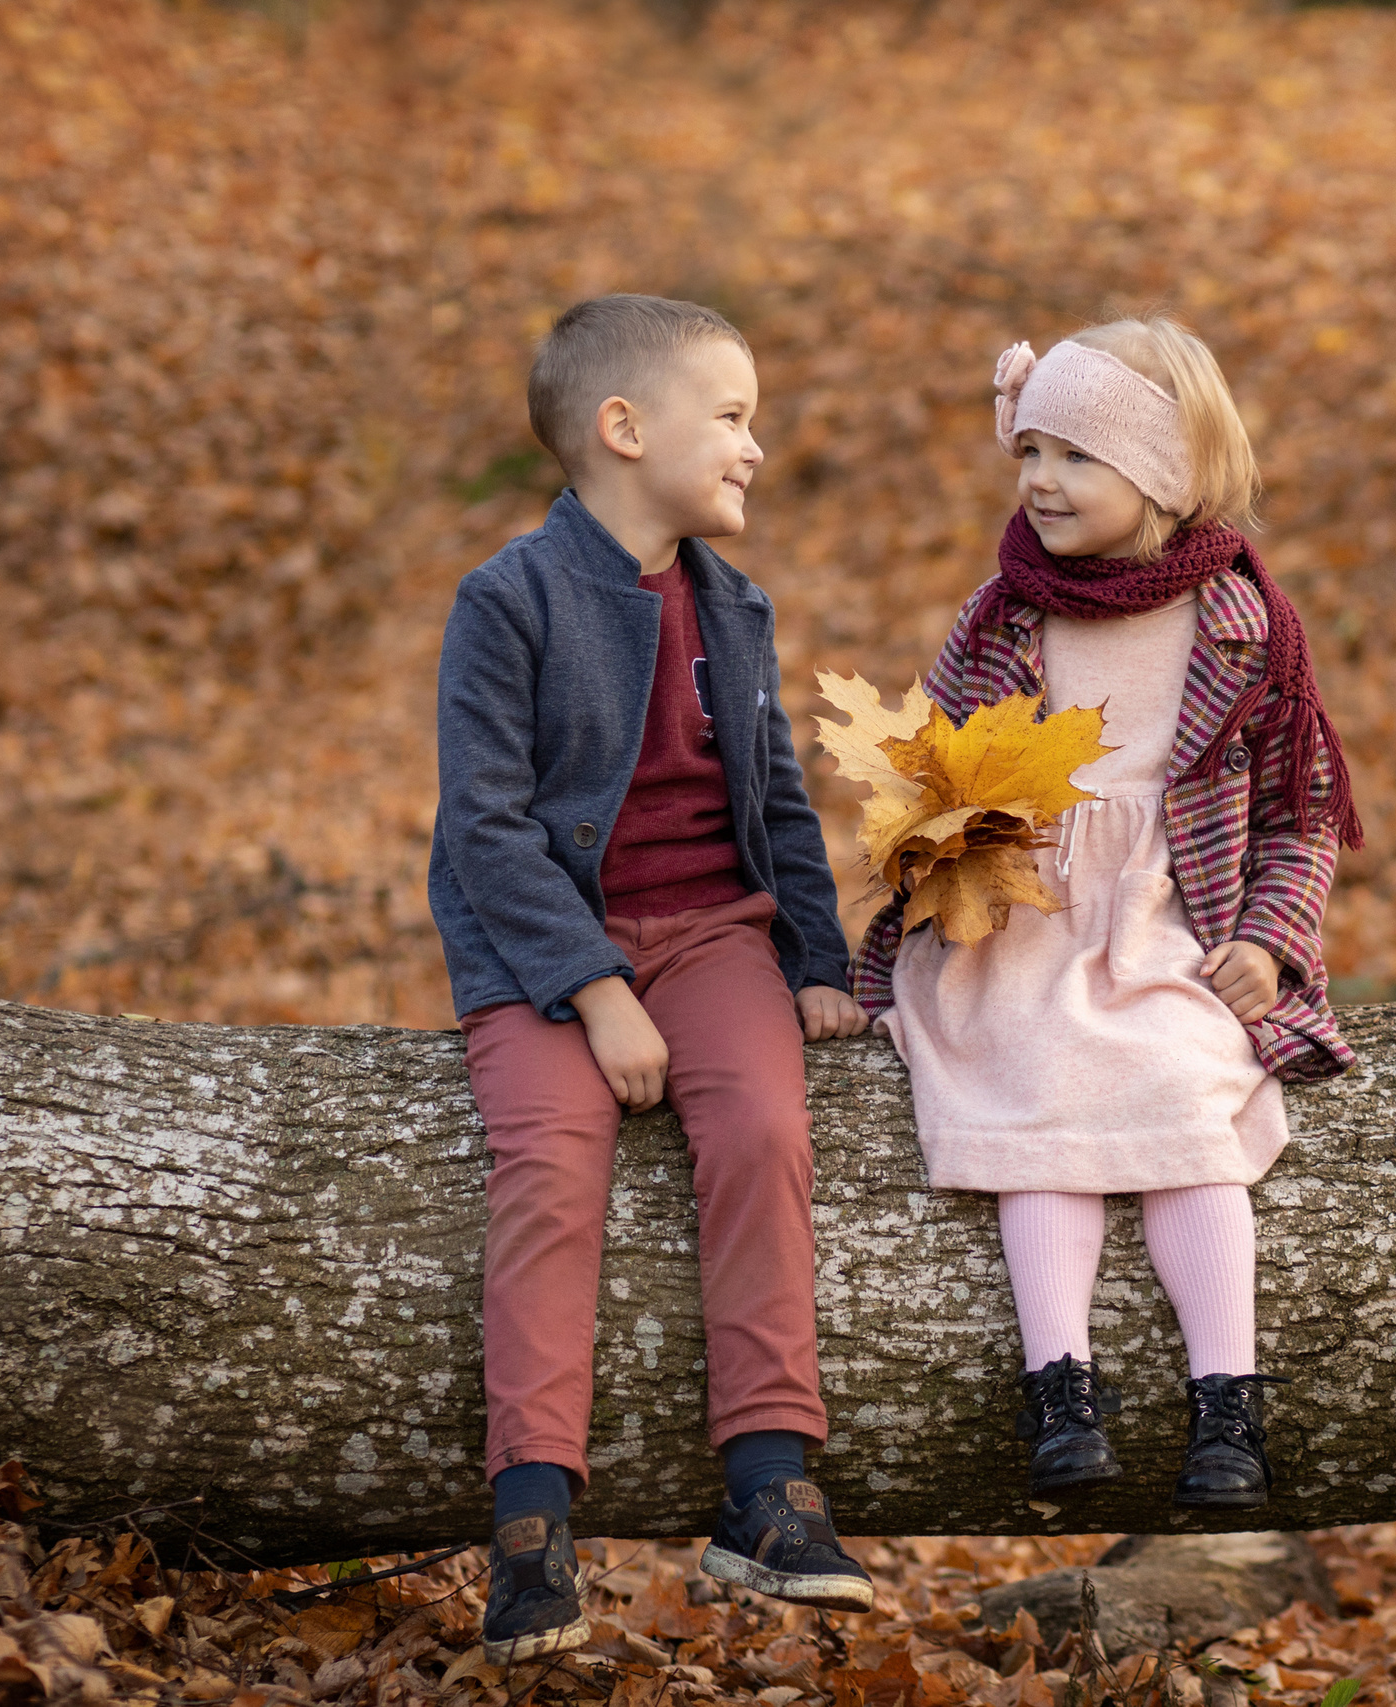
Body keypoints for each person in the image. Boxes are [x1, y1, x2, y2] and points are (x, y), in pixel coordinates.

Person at [853, 315, 1363, 1509]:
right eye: (1029, 452)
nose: (1039, 481)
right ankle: (1058, 1384)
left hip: (1175, 931)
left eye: (1077, 457)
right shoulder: (1000, 620)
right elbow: (919, 780)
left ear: (1165, 475)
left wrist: (1270, 942)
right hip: (1019, 930)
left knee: (1191, 1095)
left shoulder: (1245, 630)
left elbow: (1303, 809)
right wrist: (940, 846)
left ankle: (1226, 1400)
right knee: (1036, 1088)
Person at [431, 294, 875, 1663]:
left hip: (712, 933)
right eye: (732, 416)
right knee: (554, 1164)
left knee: (761, 1127)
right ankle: (531, 1520)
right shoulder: (509, 599)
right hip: (541, 940)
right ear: (625, 429)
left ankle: (769, 1485)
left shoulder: (732, 606)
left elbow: (780, 806)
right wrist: (592, 984)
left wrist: (814, 956)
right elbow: (485, 823)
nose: (755, 446)